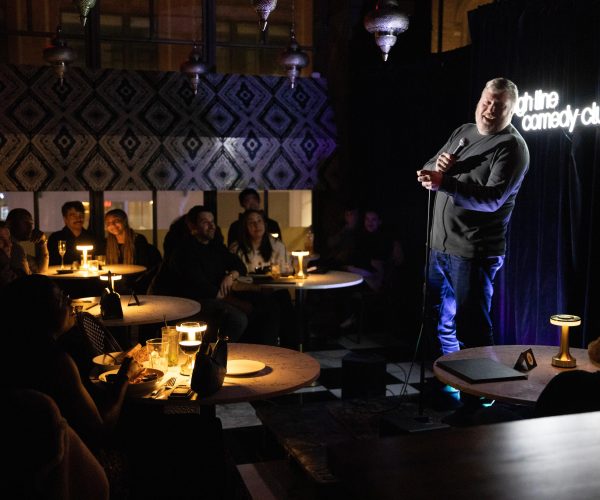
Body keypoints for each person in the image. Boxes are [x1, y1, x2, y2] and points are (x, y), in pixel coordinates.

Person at [416, 77, 530, 357]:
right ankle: (448, 376)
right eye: (486, 102)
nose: (490, 110)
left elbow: (492, 199)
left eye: (499, 106)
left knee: (472, 328)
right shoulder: (464, 131)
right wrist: (437, 166)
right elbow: (429, 167)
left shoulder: (511, 147)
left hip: (473, 253)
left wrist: (445, 182)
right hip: (439, 248)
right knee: (437, 323)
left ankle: (479, 383)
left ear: (512, 110)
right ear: (479, 101)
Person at [152, 205, 280, 343]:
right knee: (238, 318)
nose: (211, 226)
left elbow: (239, 265)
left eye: (212, 221)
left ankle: (264, 349)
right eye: (205, 222)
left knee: (268, 305)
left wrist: (230, 276)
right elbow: (201, 286)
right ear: (193, 226)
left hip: (217, 295)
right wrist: (237, 302)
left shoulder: (215, 246)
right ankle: (219, 351)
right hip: (194, 302)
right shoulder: (184, 250)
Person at [230, 209, 298, 348]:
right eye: (251, 222)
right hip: (248, 291)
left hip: (274, 288)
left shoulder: (276, 244)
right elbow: (235, 281)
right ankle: (268, 348)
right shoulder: (237, 249)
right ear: (245, 227)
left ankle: (291, 349)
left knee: (284, 300)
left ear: (265, 224)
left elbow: (287, 270)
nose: (257, 225)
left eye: (259, 221)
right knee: (270, 306)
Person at [104, 208, 162, 293]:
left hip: (135, 283)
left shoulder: (138, 240)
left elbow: (144, 267)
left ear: (124, 221)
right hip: (115, 281)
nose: (112, 225)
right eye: (108, 223)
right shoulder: (107, 242)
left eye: (116, 221)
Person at [48, 201, 97, 266]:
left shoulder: (92, 238)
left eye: (81, 215)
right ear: (65, 219)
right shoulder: (55, 238)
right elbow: (51, 263)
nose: (78, 218)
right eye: (73, 215)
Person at [5, 208, 49, 275]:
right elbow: (27, 279)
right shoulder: (15, 249)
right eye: (25, 223)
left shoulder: (18, 248)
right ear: (9, 224)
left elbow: (40, 269)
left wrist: (43, 243)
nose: (30, 227)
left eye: (31, 224)